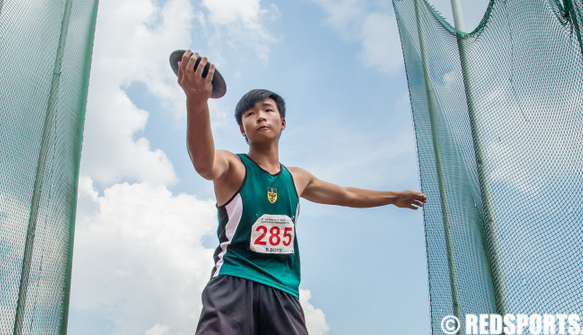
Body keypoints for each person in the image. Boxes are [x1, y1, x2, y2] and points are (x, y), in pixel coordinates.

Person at [176, 50, 427, 335]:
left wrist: (393, 197)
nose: (260, 116)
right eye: (250, 114)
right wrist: (196, 100)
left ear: (282, 122)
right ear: (242, 130)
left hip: (283, 291)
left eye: (268, 110)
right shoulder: (233, 165)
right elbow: (203, 163)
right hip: (234, 280)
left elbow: (347, 195)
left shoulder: (297, 178)